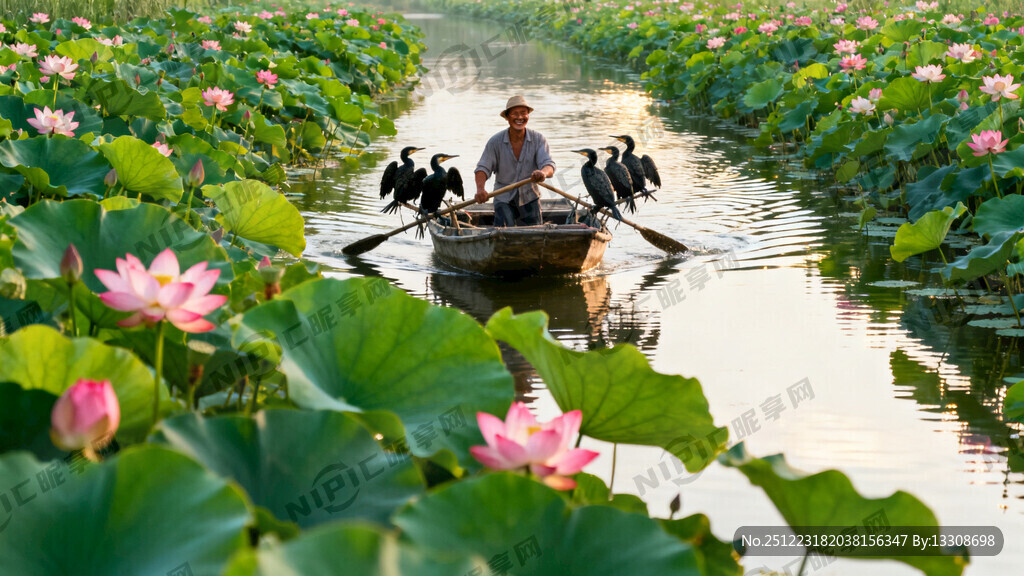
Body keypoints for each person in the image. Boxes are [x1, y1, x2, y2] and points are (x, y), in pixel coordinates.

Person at [474, 95, 556, 227]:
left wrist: (543, 173)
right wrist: (480, 189)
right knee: (504, 231)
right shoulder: (495, 142)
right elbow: (483, 168)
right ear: (507, 117)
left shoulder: (538, 139)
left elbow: (549, 165)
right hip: (503, 198)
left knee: (535, 233)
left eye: (523, 113)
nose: (520, 117)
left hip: (530, 197)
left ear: (528, 115)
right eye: (515, 114)